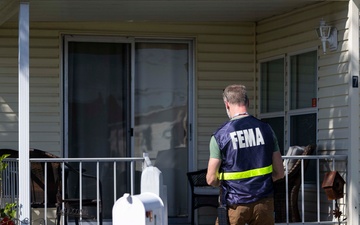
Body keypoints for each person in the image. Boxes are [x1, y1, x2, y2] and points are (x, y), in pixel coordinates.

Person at [206, 84, 284, 225]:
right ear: (248, 102)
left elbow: (211, 179)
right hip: (264, 203)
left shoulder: (220, 136)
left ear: (227, 104)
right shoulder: (267, 130)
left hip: (234, 205)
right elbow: (279, 173)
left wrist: (223, 184)